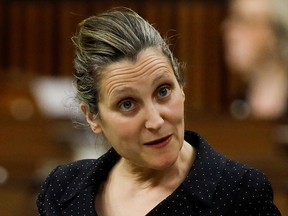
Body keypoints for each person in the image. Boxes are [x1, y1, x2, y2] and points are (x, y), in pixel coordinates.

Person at [37, 7, 281, 215]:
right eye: (127, 104)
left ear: (181, 86)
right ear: (92, 116)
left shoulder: (240, 193)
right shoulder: (63, 191)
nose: (155, 120)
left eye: (163, 91)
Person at [223, 0, 288, 120]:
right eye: (231, 19)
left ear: (277, 32)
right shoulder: (234, 107)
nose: (228, 31)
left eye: (243, 21)